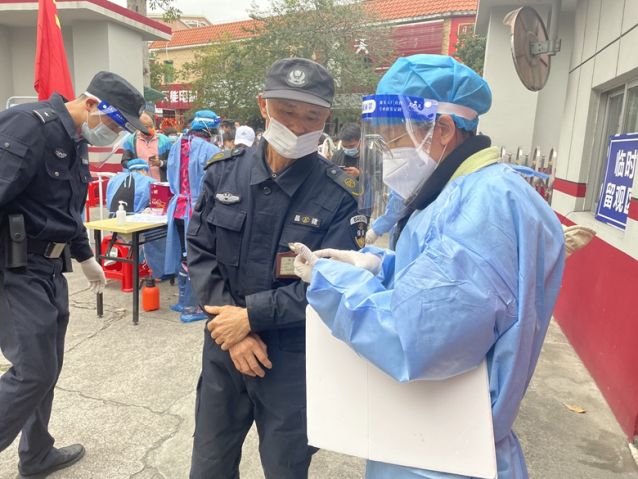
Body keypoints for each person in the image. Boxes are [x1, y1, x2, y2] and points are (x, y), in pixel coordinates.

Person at [293, 54, 566, 479]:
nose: (388, 153)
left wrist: (333, 282)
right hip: (435, 439)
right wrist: (378, 266)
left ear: (442, 130)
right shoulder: (465, 190)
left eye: (394, 139)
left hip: (446, 455)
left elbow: (415, 336)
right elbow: (444, 281)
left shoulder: (484, 206)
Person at [187, 57, 363, 479]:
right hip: (224, 346)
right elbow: (200, 252)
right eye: (286, 112)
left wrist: (251, 317)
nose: (299, 127)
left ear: (326, 119)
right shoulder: (223, 174)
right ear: (263, 105)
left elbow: (331, 283)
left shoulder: (339, 194)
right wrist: (234, 331)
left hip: (292, 360)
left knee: (286, 468)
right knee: (208, 466)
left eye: (312, 116)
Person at [0, 71, 147, 478]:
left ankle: (36, 454)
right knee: (33, 371)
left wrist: (85, 256)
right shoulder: (29, 126)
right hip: (13, 268)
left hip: (50, 268)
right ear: (92, 104)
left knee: (48, 367)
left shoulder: (76, 141)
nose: (115, 134)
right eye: (115, 124)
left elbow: (66, 210)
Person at [165, 110, 221, 320]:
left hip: (177, 209)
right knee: (197, 257)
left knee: (183, 255)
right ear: (209, 128)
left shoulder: (176, 146)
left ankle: (183, 302)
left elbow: (170, 175)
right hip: (198, 210)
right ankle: (192, 307)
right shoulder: (211, 150)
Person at [120, 112, 172, 181]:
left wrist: (160, 163)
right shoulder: (130, 141)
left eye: (150, 128)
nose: (146, 134)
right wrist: (135, 164)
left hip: (160, 183)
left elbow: (173, 162)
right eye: (144, 131)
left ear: (153, 126)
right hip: (139, 182)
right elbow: (124, 162)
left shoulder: (165, 141)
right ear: (138, 127)